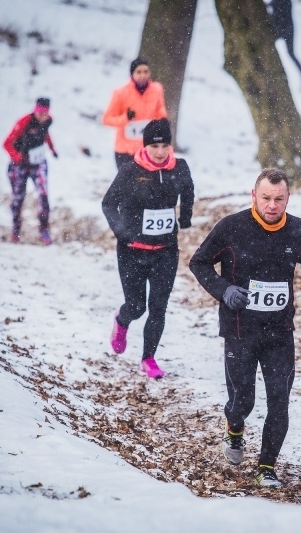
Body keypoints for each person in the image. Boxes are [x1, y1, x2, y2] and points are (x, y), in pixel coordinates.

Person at [189, 168, 301, 488]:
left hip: (280, 332)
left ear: (288, 198)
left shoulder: (297, 230)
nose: (272, 205)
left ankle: (266, 467)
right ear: (254, 196)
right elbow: (199, 262)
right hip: (240, 329)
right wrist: (224, 290)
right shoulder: (232, 227)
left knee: (280, 399)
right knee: (244, 401)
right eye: (266, 198)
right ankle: (234, 428)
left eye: (279, 199)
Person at [101, 118, 193, 379]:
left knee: (159, 306)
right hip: (132, 250)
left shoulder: (180, 167)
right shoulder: (131, 171)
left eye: (165, 145)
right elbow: (108, 203)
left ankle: (148, 358)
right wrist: (122, 231)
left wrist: (185, 217)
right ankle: (122, 320)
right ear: (146, 146)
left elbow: (188, 190)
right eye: (155, 146)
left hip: (165, 250)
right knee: (137, 305)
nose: (161, 151)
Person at [3, 97, 58, 245]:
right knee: (18, 197)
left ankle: (44, 229)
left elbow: (45, 135)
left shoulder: (47, 122)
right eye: (39, 112)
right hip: (19, 163)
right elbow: (6, 143)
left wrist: (52, 149)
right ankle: (15, 228)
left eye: (45, 113)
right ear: (35, 110)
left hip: (38, 162)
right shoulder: (24, 122)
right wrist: (17, 157)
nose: (42, 116)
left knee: (43, 194)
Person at [102, 58, 167, 171]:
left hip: (147, 149)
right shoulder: (120, 93)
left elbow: (160, 110)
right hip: (125, 150)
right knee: (128, 187)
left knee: (147, 186)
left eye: (146, 71)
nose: (143, 75)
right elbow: (107, 119)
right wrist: (125, 118)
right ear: (132, 74)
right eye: (139, 72)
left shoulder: (156, 89)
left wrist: (162, 121)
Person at [267, 0, 301, 89]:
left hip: (283, 29)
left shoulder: (280, 2)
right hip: (286, 28)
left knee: (290, 53)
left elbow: (278, 14)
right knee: (290, 53)